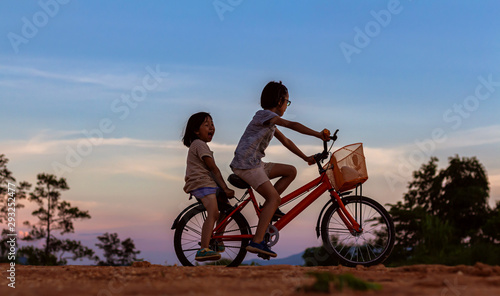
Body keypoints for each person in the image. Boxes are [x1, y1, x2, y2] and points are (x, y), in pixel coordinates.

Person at [230, 81, 330, 258]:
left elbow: (287, 141)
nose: (287, 106)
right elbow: (292, 125)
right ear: (279, 101)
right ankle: (257, 241)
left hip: (255, 163)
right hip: (246, 165)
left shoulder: (270, 122)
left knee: (291, 171)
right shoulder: (264, 115)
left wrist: (306, 158)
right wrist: (317, 134)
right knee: (274, 197)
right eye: (287, 102)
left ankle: (271, 207)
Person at [182, 112, 235, 261]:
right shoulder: (199, 144)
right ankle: (203, 249)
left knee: (226, 209)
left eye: (212, 124)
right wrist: (225, 188)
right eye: (207, 125)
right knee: (213, 212)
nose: (211, 127)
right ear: (196, 131)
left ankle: (218, 239)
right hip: (201, 183)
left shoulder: (201, 145)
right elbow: (213, 169)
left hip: (208, 182)